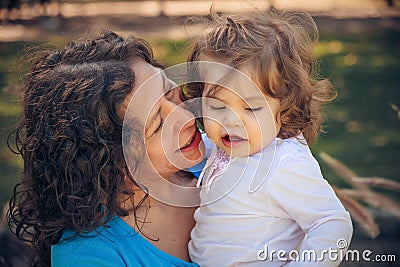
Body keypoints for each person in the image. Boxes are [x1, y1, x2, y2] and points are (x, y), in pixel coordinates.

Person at [7, 31, 205, 266]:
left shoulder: (224, 155)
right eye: (158, 125)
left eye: (170, 92)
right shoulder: (88, 256)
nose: (187, 118)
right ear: (106, 160)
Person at [184, 9, 353, 266]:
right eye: (217, 107)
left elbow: (332, 224)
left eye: (250, 108)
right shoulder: (218, 147)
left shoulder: (283, 164)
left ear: (284, 107)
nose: (231, 121)